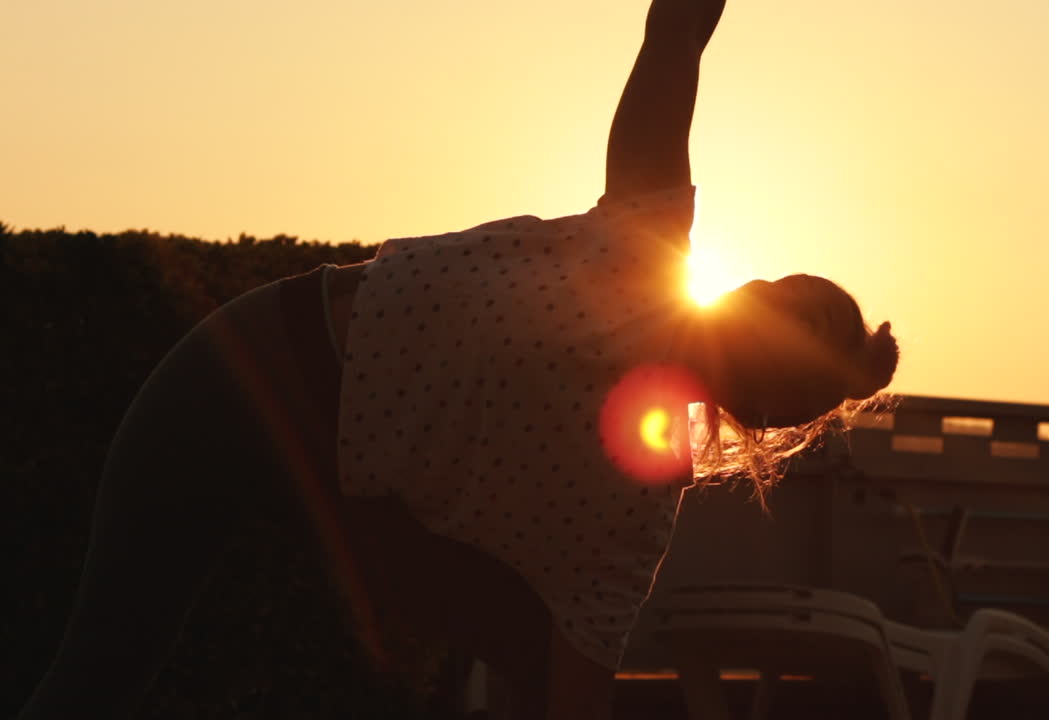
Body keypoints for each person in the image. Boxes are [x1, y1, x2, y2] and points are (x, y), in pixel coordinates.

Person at [18, 0, 898, 718]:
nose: (774, 293)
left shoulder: (636, 513)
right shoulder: (647, 241)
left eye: (803, 317)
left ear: (779, 396)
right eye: (794, 285)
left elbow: (572, 684)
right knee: (96, 678)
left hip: (327, 486)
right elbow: (676, 33)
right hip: (242, 371)